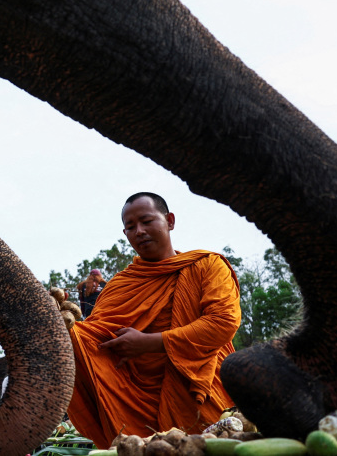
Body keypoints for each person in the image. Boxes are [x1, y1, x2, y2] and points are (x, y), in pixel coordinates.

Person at [66, 192, 241, 448]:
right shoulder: (120, 285)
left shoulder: (207, 266)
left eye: (147, 221)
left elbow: (222, 322)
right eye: (130, 227)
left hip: (199, 395)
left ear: (169, 220)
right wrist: (57, 324)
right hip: (134, 404)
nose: (139, 231)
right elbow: (95, 338)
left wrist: (150, 342)